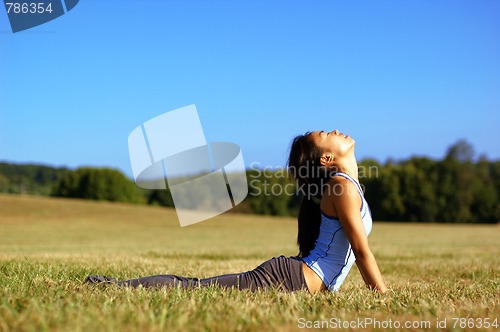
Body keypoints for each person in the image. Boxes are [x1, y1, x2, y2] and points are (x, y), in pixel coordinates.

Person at [85, 130, 387, 294]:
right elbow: (361, 252)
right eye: (326, 134)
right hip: (289, 279)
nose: (336, 130)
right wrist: (382, 297)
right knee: (197, 288)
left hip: (299, 278)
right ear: (327, 158)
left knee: (198, 287)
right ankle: (113, 287)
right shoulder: (341, 188)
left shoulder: (345, 187)